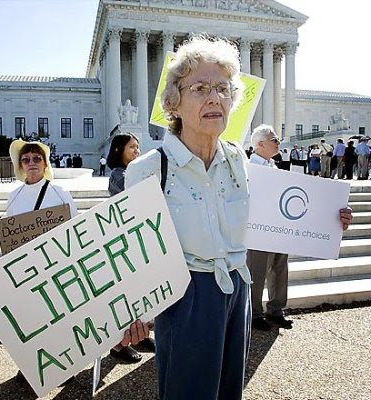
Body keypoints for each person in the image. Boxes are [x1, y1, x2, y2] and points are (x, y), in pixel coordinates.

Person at [126, 35, 250, 400]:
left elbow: (266, 217)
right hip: (186, 297)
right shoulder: (149, 168)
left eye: (222, 88)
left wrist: (326, 221)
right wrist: (132, 311)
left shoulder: (238, 159)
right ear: (173, 103)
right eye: (199, 88)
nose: (215, 97)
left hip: (238, 289)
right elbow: (134, 248)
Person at [7, 139, 149, 382]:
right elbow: (11, 236)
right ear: (20, 164)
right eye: (26, 159)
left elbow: (73, 229)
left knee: (61, 318)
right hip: (29, 270)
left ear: (45, 163)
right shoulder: (14, 196)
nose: (32, 163)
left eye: (37, 158)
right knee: (36, 318)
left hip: (56, 267)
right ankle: (33, 365)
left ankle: (65, 364)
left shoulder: (58, 192)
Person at [247, 125, 353, 333]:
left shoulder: (274, 166)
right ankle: (255, 313)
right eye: (273, 139)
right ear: (260, 144)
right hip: (259, 232)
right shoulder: (249, 168)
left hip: (280, 229)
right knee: (257, 272)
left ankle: (276, 310)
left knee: (280, 269)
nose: (278, 141)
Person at [106, 132, 156, 362]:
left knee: (141, 291)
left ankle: (139, 334)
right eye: (132, 147)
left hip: (139, 238)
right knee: (127, 292)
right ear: (118, 151)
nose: (137, 151)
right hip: (126, 240)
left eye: (138, 147)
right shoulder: (119, 175)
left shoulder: (133, 172)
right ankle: (117, 345)